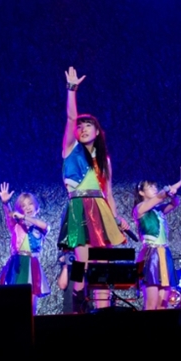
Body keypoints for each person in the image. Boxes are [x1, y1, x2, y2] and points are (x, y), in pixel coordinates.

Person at [57, 67, 131, 311]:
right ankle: (78, 303)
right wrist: (72, 90)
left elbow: (108, 193)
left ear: (98, 132)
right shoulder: (70, 149)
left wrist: (116, 218)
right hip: (79, 207)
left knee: (102, 263)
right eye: (81, 126)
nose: (83, 128)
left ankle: (103, 309)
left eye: (89, 125)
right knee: (82, 261)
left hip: (100, 208)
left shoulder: (104, 160)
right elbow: (71, 118)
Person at [133, 165, 181, 310]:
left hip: (164, 253)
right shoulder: (140, 208)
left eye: (155, 186)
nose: (154, 188)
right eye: (150, 187)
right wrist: (179, 183)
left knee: (163, 303)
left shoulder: (158, 210)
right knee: (151, 303)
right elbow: (160, 196)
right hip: (150, 254)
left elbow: (174, 203)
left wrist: (173, 194)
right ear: (141, 192)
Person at [0, 182, 50, 313]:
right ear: (19, 210)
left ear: (36, 207)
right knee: (15, 299)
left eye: (30, 204)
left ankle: (31, 322)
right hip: (18, 263)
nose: (28, 207)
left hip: (32, 263)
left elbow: (45, 226)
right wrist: (5, 203)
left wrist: (25, 217)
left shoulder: (40, 227)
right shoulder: (16, 225)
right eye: (23, 206)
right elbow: (9, 216)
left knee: (31, 300)